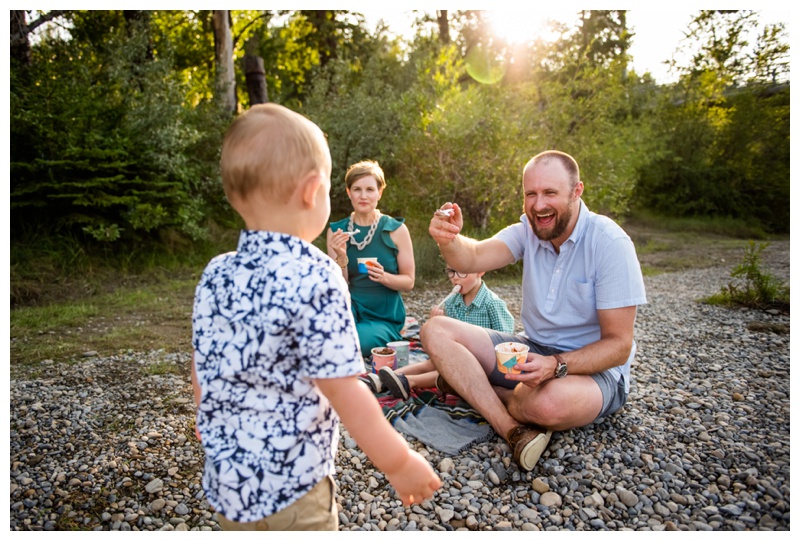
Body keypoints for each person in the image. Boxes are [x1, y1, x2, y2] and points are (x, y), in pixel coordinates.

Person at [191, 104, 440, 531]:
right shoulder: (317, 273)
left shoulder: (215, 272)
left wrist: (206, 419)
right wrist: (398, 462)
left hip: (229, 481)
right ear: (312, 191)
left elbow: (203, 364)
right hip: (296, 486)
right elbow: (344, 390)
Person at [422, 150, 647, 472]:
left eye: (550, 193)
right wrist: (448, 239)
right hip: (532, 352)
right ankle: (510, 429)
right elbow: (469, 258)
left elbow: (618, 346)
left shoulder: (610, 242)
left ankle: (481, 390)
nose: (539, 205)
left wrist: (555, 366)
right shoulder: (528, 229)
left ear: (577, 191)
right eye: (531, 194)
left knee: (549, 404)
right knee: (435, 329)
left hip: (594, 371)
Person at [372, 267, 515, 400]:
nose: (455, 278)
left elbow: (505, 341)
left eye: (462, 272)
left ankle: (408, 382)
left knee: (449, 370)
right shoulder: (452, 302)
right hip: (457, 354)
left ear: (480, 271)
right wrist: (437, 324)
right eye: (451, 272)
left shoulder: (493, 303)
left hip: (483, 362)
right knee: (432, 363)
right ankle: (385, 378)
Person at [327, 160, 415, 355]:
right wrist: (341, 258)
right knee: (325, 334)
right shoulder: (337, 231)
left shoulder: (396, 230)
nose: (363, 196)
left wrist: (384, 277)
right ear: (349, 192)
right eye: (357, 189)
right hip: (350, 306)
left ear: (379, 192)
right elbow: (338, 287)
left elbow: (409, 282)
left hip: (383, 315)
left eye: (370, 189)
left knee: (352, 342)